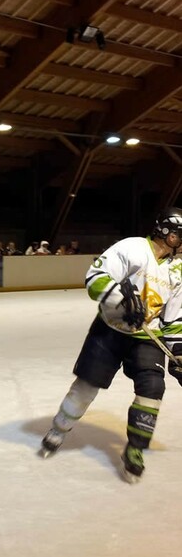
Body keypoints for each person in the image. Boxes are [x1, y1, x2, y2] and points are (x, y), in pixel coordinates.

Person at [40, 207, 182, 483]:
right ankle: (59, 428)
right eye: (179, 234)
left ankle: (136, 449)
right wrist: (122, 300)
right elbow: (95, 278)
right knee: (86, 386)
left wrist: (179, 351)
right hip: (109, 330)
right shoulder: (133, 248)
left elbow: (175, 317)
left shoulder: (179, 269)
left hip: (146, 336)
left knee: (153, 388)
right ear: (164, 230)